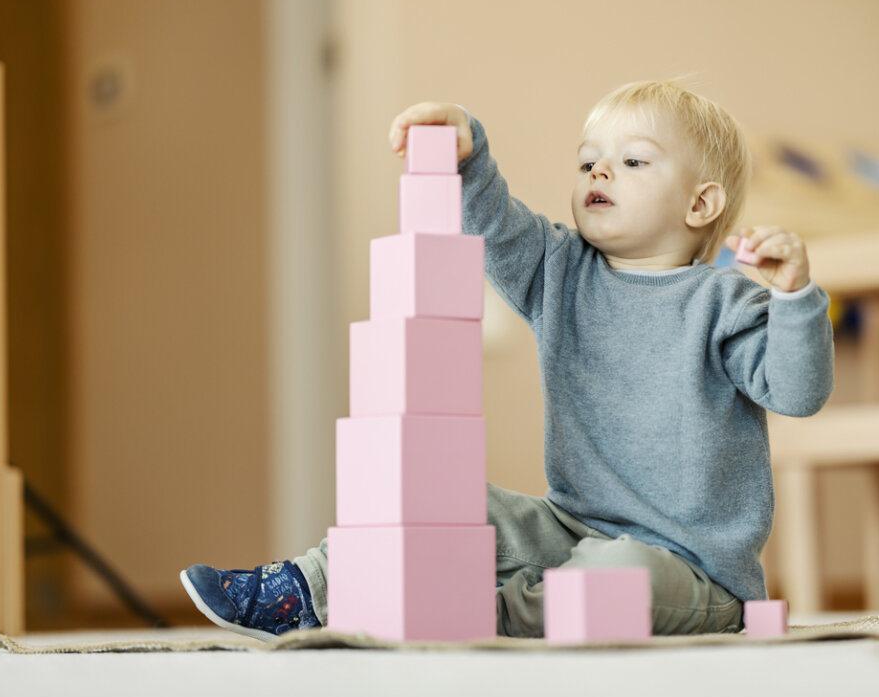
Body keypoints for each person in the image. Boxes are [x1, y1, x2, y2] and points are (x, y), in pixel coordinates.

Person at [181, 80, 834, 640]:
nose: (599, 173)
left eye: (632, 161)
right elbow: (496, 226)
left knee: (616, 576)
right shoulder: (559, 270)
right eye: (587, 163)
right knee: (441, 497)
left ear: (700, 204)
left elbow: (798, 392)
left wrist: (797, 300)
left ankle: (479, 613)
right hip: (568, 525)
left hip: (691, 568)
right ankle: (304, 590)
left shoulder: (726, 299)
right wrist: (469, 153)